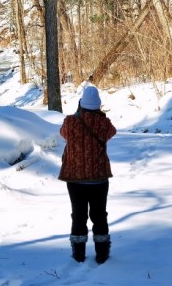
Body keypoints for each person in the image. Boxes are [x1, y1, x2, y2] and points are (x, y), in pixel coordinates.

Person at [58, 85, 117, 264]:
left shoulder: (70, 122)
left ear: (81, 103)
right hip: (99, 178)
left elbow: (63, 134)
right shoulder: (103, 123)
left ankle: (78, 253)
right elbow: (111, 132)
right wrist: (99, 116)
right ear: (98, 105)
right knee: (99, 215)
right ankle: (102, 253)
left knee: (78, 215)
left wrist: (77, 114)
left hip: (74, 179)